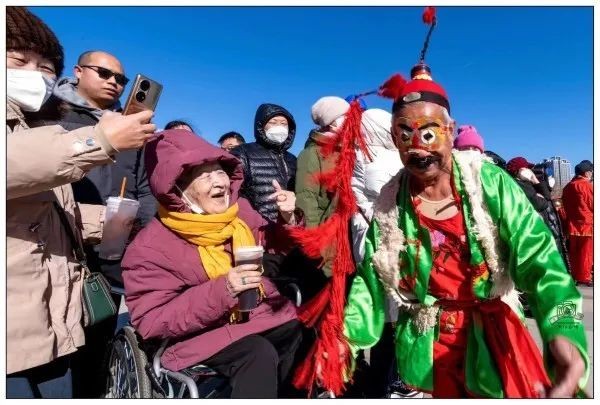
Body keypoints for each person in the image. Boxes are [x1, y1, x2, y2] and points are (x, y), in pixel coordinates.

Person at [338, 8, 588, 398]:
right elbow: (370, 282)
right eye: (404, 136)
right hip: (427, 351)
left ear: (451, 131)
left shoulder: (488, 182)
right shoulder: (391, 202)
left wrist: (562, 331)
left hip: (494, 346)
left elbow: (542, 262)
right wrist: (343, 341)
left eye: (428, 134)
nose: (417, 149)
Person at [6, 6, 156, 398]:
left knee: (88, 359)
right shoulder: (51, 122)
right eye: (18, 61)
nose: (34, 74)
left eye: (44, 67)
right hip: (18, 301)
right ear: (78, 72)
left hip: (71, 278)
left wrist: (127, 222)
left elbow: (52, 208)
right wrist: (100, 141)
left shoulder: (124, 129)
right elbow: (19, 164)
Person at [121, 129, 304, 399]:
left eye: (220, 171)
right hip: (196, 335)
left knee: (300, 329)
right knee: (257, 353)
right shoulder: (149, 246)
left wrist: (287, 219)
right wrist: (224, 289)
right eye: (205, 176)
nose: (218, 182)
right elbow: (151, 320)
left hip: (253, 316)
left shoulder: (239, 212)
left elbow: (273, 243)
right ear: (178, 188)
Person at [350, 108, 418, 398]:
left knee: (387, 315)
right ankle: (390, 380)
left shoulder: (361, 157)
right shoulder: (379, 158)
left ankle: (387, 379)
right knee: (394, 314)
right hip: (383, 241)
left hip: (374, 239)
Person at [231, 103, 297, 222]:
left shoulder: (293, 159)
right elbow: (232, 193)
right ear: (261, 126)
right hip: (255, 227)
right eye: (273, 122)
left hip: (286, 225)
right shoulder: (243, 152)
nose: (279, 127)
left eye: (284, 124)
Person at [296, 96, 350, 229]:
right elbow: (306, 199)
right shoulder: (311, 154)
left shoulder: (347, 150)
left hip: (347, 231)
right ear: (332, 122)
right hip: (326, 231)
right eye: (346, 117)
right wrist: (313, 236)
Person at [506, 156, 569, 267]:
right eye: (527, 168)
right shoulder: (519, 185)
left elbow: (546, 197)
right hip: (532, 232)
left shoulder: (523, 183)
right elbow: (542, 204)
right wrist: (535, 182)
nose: (531, 171)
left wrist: (535, 182)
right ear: (520, 171)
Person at [562, 160, 593, 286]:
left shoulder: (567, 187)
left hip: (572, 225)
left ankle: (575, 276)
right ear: (586, 173)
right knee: (586, 253)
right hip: (587, 224)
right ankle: (585, 277)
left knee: (575, 253)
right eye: (591, 172)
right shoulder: (587, 186)